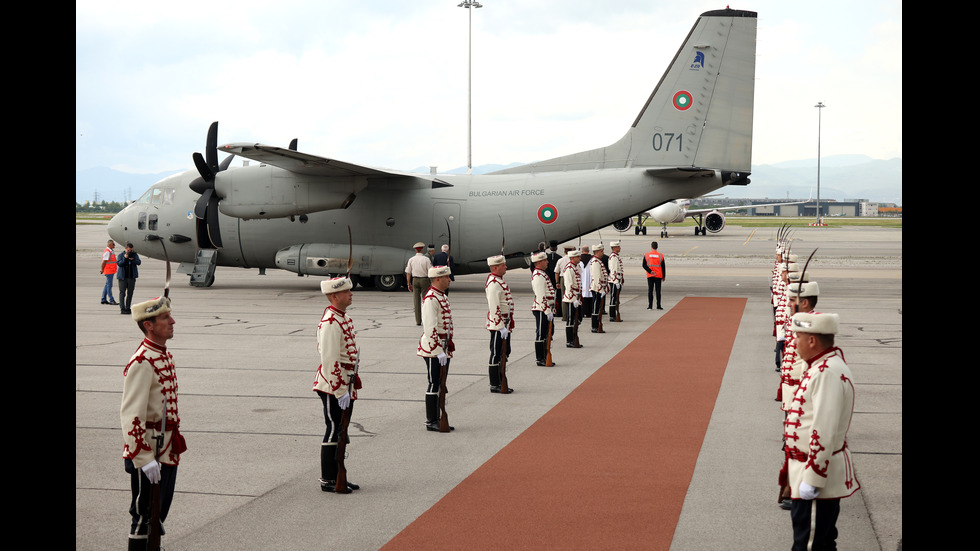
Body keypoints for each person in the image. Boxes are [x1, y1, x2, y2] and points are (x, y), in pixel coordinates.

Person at [783, 312, 859, 551]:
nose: (794, 342)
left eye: (798, 336)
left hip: (815, 477)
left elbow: (823, 429)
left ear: (812, 340)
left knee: (809, 545)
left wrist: (813, 478)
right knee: (822, 543)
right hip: (807, 472)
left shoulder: (826, 372)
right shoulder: (823, 366)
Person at [121, 296, 187, 549]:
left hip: (166, 448)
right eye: (164, 318)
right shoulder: (142, 361)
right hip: (149, 451)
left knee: (157, 516)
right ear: (148, 325)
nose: (172, 322)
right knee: (143, 518)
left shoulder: (161, 355)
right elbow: (131, 414)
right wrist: (144, 457)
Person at [313, 277, 362, 493]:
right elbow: (330, 359)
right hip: (333, 385)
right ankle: (328, 478)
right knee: (334, 429)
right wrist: (340, 390)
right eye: (346, 292)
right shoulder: (331, 322)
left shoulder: (343, 318)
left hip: (344, 383)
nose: (351, 294)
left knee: (341, 431)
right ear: (335, 296)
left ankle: (338, 474)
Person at [418, 266, 454, 431]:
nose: (449, 279)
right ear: (438, 279)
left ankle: (438, 417)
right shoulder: (431, 298)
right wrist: (437, 350)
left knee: (440, 383)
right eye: (447, 277)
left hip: (442, 347)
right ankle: (431, 420)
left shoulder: (441, 296)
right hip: (434, 349)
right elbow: (430, 327)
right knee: (434, 383)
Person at [485, 255, 514, 393]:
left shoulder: (498, 281)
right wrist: (500, 325)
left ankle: (501, 379)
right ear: (495, 267)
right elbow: (494, 306)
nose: (506, 267)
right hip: (499, 325)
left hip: (504, 324)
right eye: (503, 265)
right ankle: (495, 383)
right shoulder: (494, 284)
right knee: (496, 353)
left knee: (504, 352)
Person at [530, 251, 556, 366]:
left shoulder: (542, 273)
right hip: (541, 309)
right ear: (539, 262)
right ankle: (540, 358)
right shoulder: (538, 276)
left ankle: (545, 356)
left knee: (546, 333)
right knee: (541, 333)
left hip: (546, 308)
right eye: (545, 260)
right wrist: (547, 311)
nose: (547, 262)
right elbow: (541, 296)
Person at [405, 242, 433, 326]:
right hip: (424, 280)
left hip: (415, 280)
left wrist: (408, 283)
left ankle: (418, 321)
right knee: (425, 301)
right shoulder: (426, 259)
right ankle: (425, 319)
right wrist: (432, 282)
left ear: (415, 250)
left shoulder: (411, 259)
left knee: (416, 301)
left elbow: (408, 273)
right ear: (422, 249)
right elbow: (430, 271)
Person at [561, 248, 584, 348]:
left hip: (576, 297)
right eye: (578, 257)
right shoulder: (569, 268)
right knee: (570, 320)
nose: (579, 258)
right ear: (573, 258)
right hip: (571, 298)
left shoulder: (575, 267)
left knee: (577, 319)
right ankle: (569, 340)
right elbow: (569, 284)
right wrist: (573, 298)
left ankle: (574, 338)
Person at [588, 244, 609, 333]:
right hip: (597, 289)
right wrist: (601, 290)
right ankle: (594, 326)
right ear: (597, 252)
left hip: (599, 288)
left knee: (598, 307)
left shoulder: (597, 261)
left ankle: (596, 325)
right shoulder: (596, 262)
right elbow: (597, 277)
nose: (603, 253)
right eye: (601, 251)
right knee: (596, 308)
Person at [116, 242, 141, 315]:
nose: (130, 251)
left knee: (130, 293)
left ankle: (128, 307)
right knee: (122, 293)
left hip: (131, 277)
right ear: (125, 249)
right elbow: (119, 264)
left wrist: (132, 260)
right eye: (129, 250)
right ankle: (122, 308)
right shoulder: (121, 255)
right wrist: (125, 258)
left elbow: (139, 262)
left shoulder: (134, 254)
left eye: (131, 250)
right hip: (122, 277)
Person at [643, 241, 666, 310]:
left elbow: (644, 265)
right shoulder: (661, 255)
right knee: (658, 291)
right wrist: (664, 276)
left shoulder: (647, 255)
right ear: (657, 247)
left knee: (650, 290)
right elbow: (663, 267)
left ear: (651, 247)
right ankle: (658, 306)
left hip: (650, 275)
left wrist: (650, 271)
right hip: (658, 275)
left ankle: (650, 306)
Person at [607, 241, 625, 321]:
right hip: (614, 280)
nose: (620, 248)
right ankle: (612, 315)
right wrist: (616, 281)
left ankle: (614, 315)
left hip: (617, 279)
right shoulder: (614, 257)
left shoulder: (615, 256)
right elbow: (614, 270)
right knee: (613, 298)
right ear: (615, 248)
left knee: (615, 298)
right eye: (618, 246)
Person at [101, 239, 118, 305]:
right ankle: (111, 300)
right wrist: (102, 269)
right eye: (113, 244)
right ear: (109, 244)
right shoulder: (108, 252)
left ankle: (103, 299)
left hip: (111, 270)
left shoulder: (111, 251)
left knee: (107, 285)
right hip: (109, 271)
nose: (114, 245)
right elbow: (104, 262)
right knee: (109, 286)